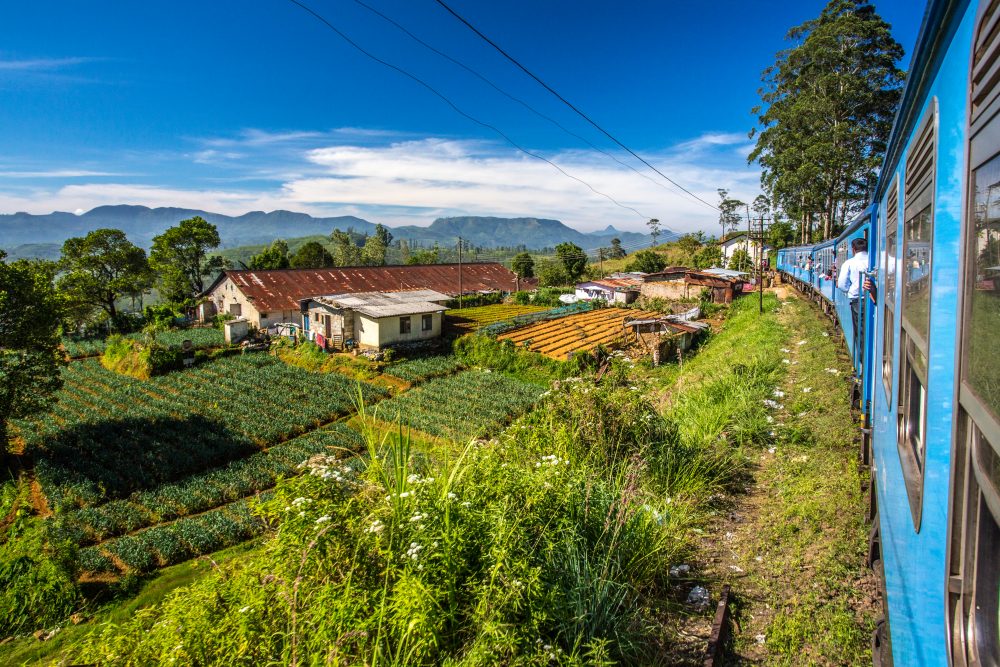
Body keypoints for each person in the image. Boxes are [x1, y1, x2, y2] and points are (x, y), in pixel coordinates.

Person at [838, 237, 870, 353]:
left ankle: (862, 359)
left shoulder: (850, 263)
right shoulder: (876, 260)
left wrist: (850, 289)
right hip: (876, 299)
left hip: (858, 301)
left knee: (860, 331)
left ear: (853, 249)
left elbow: (842, 285)